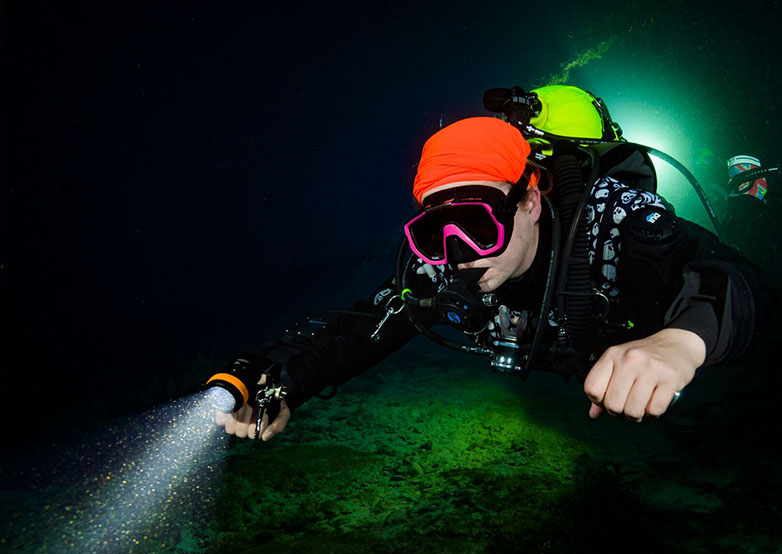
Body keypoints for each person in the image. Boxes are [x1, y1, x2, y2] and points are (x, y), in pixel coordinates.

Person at [214, 91, 773, 440]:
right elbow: (362, 329)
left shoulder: (610, 220)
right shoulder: (439, 263)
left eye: (478, 223)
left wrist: (679, 343)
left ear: (530, 199)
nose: (459, 252)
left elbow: (740, 278)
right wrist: (277, 377)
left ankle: (750, 197)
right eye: (437, 229)